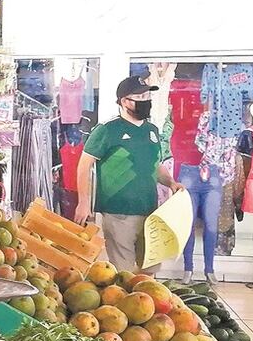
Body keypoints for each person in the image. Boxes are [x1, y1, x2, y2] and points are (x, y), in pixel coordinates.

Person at [74, 76, 183, 272]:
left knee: (149, 269)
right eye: (139, 97)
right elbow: (84, 165)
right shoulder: (107, 130)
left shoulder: (152, 130)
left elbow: (156, 165)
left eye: (147, 95)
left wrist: (171, 182)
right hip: (118, 211)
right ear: (124, 101)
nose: (145, 100)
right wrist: (83, 202)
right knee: (122, 271)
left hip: (150, 212)